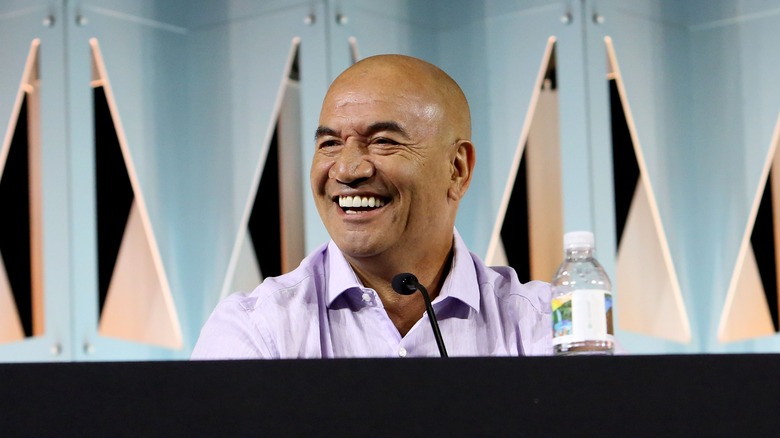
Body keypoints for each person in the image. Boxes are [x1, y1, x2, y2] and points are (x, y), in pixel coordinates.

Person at [191, 54, 553, 359]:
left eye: (382, 141)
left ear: (456, 169)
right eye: (330, 143)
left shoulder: (545, 326)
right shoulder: (255, 331)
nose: (347, 169)